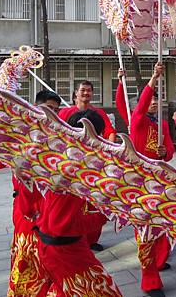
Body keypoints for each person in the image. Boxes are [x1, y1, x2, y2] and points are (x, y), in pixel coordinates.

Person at [36, 109, 121, 297]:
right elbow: (61, 225)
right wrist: (103, 216)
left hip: (64, 245)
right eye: (98, 135)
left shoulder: (65, 158)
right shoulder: (71, 170)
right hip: (63, 249)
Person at [0, 89, 61, 296]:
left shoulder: (57, 136)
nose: (52, 115)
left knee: (52, 262)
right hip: (26, 209)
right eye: (48, 109)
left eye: (56, 110)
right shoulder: (20, 133)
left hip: (51, 207)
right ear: (35, 106)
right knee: (27, 260)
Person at [116, 63, 174, 297]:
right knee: (145, 230)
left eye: (155, 100)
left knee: (162, 222)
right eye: (149, 100)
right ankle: (150, 279)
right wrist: (153, 78)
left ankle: (160, 260)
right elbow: (136, 106)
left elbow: (169, 151)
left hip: (159, 179)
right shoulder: (137, 121)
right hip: (138, 182)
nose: (152, 103)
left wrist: (164, 153)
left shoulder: (162, 124)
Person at [58, 81, 113, 251]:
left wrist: (107, 152)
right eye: (82, 90)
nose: (86, 93)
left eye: (89, 91)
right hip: (72, 164)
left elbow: (110, 132)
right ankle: (75, 236)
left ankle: (92, 239)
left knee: (94, 202)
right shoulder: (66, 112)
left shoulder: (99, 113)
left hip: (95, 164)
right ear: (75, 94)